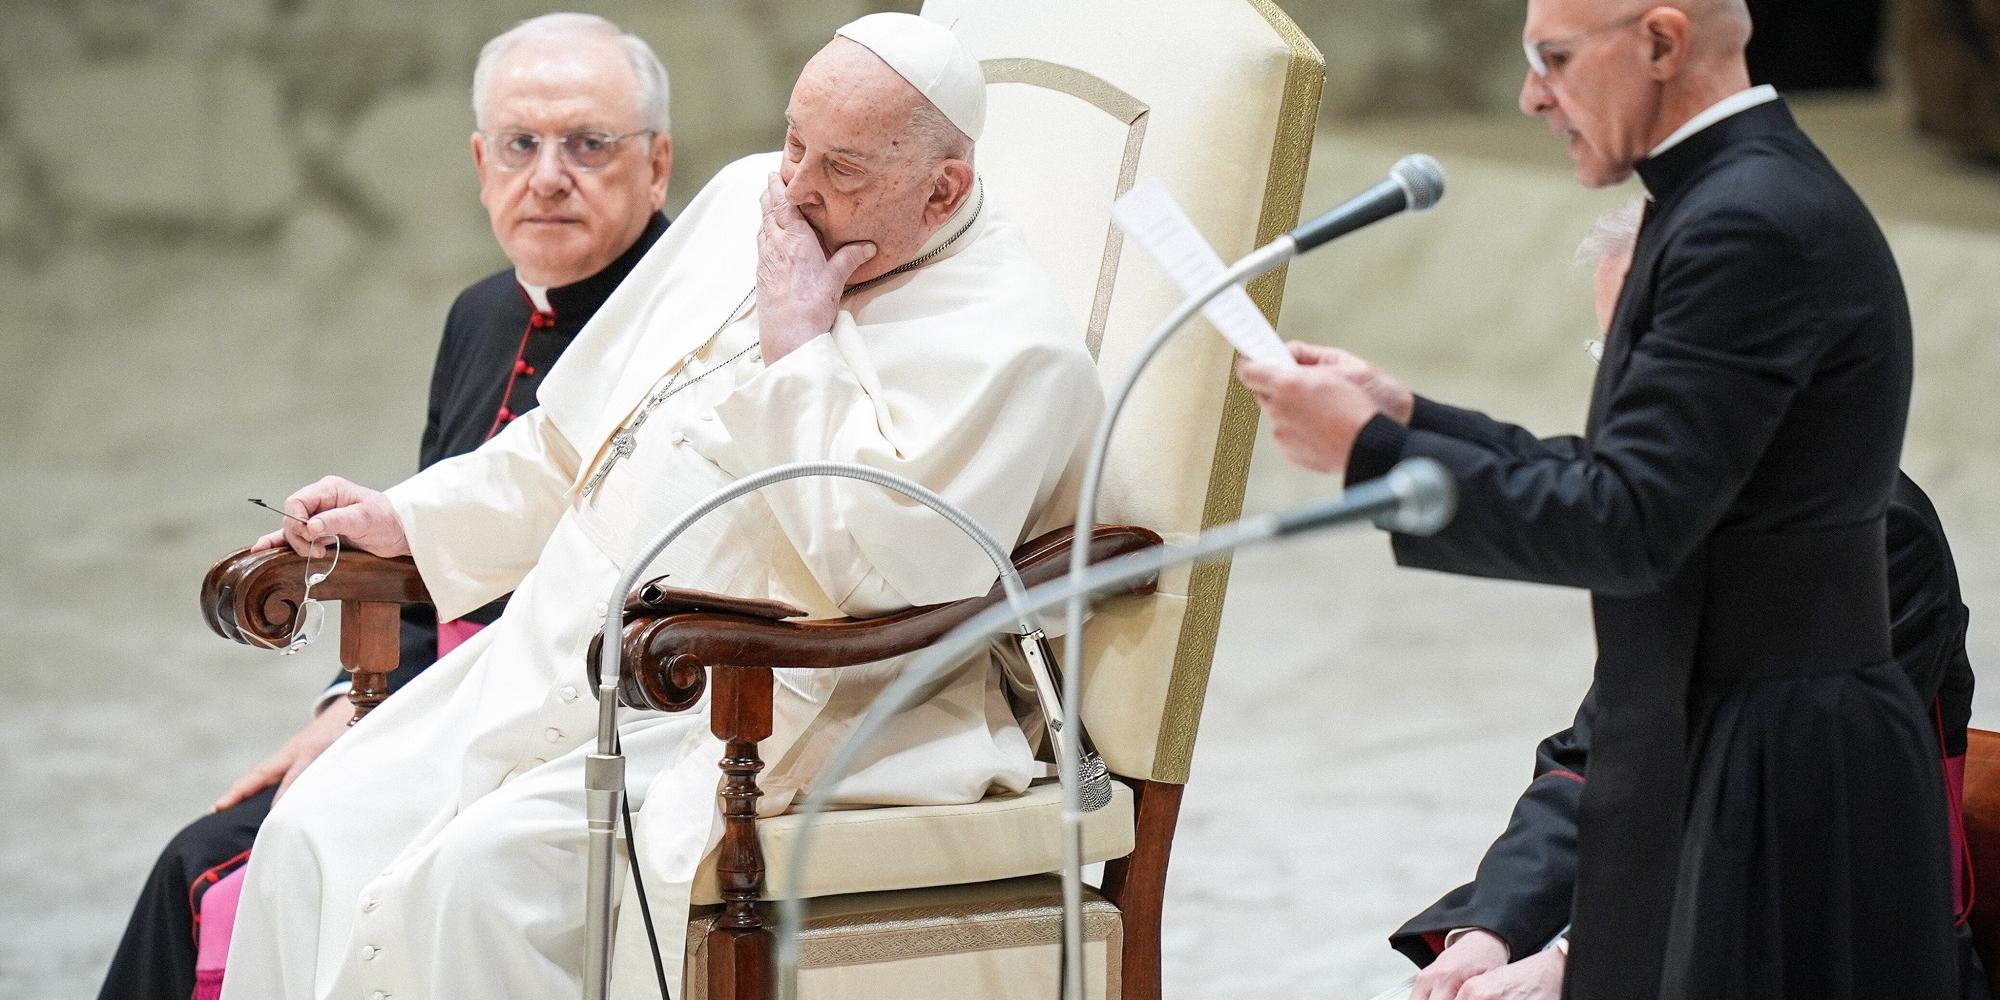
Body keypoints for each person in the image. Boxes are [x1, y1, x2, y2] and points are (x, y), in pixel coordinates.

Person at [219, 13, 1104, 999]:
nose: (795, 188)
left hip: (750, 716)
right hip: (555, 658)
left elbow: (880, 588)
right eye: (792, 142)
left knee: (477, 887)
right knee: (310, 832)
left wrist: (799, 351)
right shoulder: (744, 200)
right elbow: (573, 442)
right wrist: (409, 517)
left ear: (942, 189)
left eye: (841, 169)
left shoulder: (1014, 348)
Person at [1236, 0, 1956, 995]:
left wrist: (1373, 455)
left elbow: (1628, 522)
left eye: (1556, 59)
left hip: (1778, 766)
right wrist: (1407, 416)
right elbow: (1636, 477)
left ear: (1660, 42)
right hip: (1720, 727)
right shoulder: (1715, 198)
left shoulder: (1746, 218)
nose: (1532, 95)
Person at [96, 14, 674, 1000]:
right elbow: (425, 563)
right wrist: (342, 707)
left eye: (589, 144)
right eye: (518, 145)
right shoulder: (484, 312)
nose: (548, 175)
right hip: (426, 712)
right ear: (478, 161)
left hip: (568, 727)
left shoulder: (683, 323)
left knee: (220, 879)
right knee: (196, 861)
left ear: (657, 165)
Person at [1387, 206, 1986, 1000]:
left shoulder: (1875, 540)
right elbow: (1601, 753)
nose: (1616, 391)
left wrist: (1573, 964)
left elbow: (1795, 827)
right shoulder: (1674, 506)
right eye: (1609, 351)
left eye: (1640, 354)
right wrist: (1491, 930)